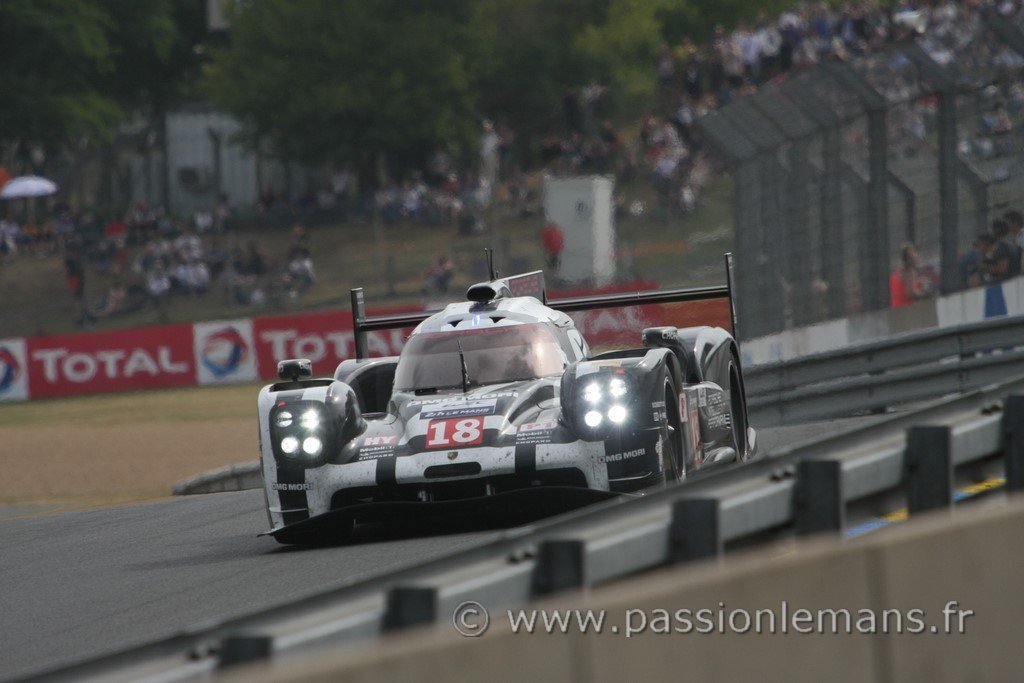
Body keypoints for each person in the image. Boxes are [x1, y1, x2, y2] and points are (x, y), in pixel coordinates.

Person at [889, 243, 923, 308]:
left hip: (895, 309)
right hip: (907, 309)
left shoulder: (896, 272)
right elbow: (910, 293)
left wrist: (918, 281)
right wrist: (924, 295)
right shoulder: (910, 272)